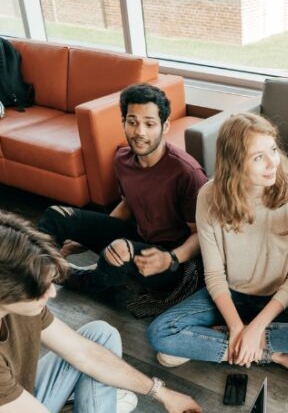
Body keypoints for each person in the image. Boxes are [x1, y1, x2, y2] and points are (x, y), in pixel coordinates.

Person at [0, 212, 203, 413]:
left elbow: (84, 353)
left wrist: (162, 393)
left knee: (100, 335)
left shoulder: (19, 305)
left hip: (16, 404)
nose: (53, 293)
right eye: (42, 291)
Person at [147, 113, 288, 388]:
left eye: (273, 149)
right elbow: (214, 275)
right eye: (258, 156)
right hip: (230, 293)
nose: (273, 162)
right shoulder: (209, 197)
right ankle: (277, 356)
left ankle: (215, 343)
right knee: (159, 333)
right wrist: (238, 328)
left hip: (280, 296)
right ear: (235, 162)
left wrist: (257, 327)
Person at [37, 83, 208, 303]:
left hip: (170, 260)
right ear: (123, 123)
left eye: (149, 124)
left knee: (117, 251)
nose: (139, 132)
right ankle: (36, 272)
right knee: (56, 215)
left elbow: (201, 234)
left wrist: (170, 259)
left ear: (165, 127)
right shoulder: (122, 159)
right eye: (132, 122)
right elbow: (128, 205)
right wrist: (87, 239)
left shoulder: (187, 172)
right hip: (137, 236)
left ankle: (71, 276)